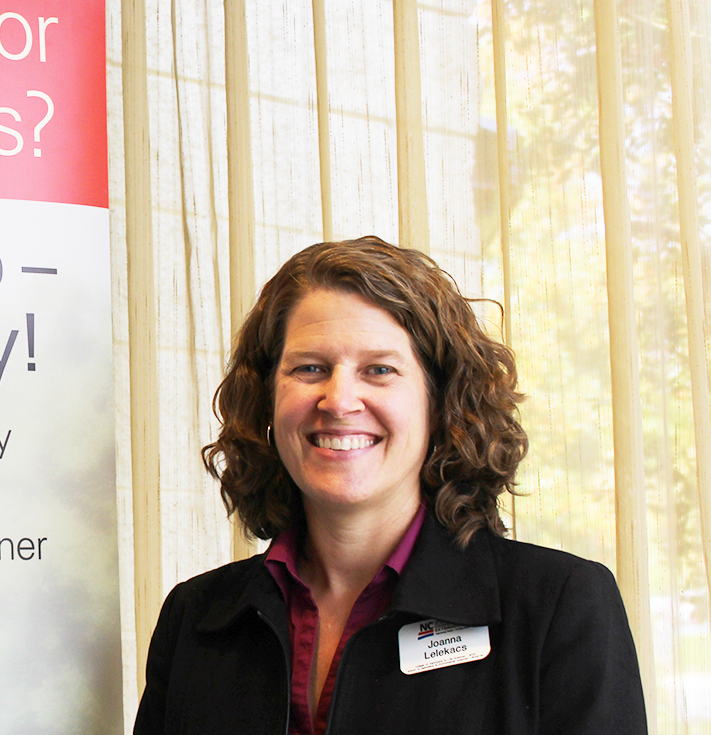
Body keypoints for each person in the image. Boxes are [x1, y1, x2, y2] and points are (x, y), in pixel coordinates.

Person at [133, 237, 648, 735]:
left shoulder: (559, 608)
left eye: (379, 370)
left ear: (441, 404)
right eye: (309, 368)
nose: (338, 400)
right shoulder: (194, 619)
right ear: (267, 400)